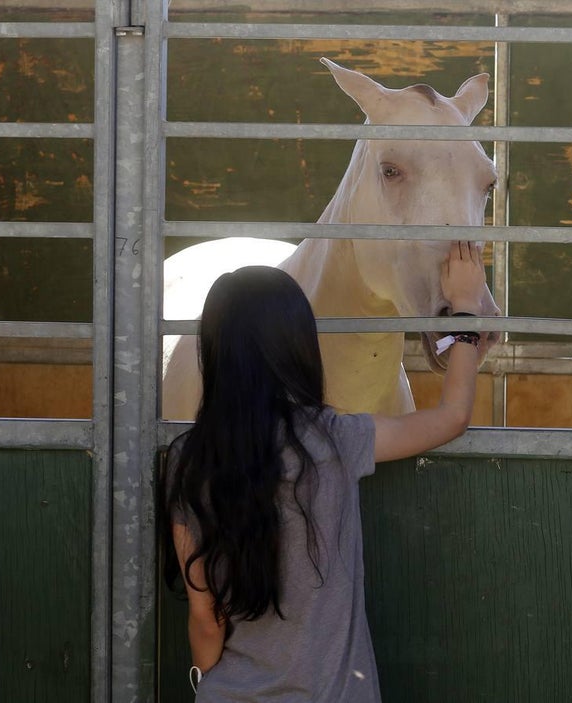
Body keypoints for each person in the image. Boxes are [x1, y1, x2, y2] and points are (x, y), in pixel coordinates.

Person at [158, 241, 493, 702]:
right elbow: (452, 417)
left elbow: (206, 616)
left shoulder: (187, 459)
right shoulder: (335, 439)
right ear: (299, 345)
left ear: (213, 350)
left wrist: (208, 681)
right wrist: (466, 311)